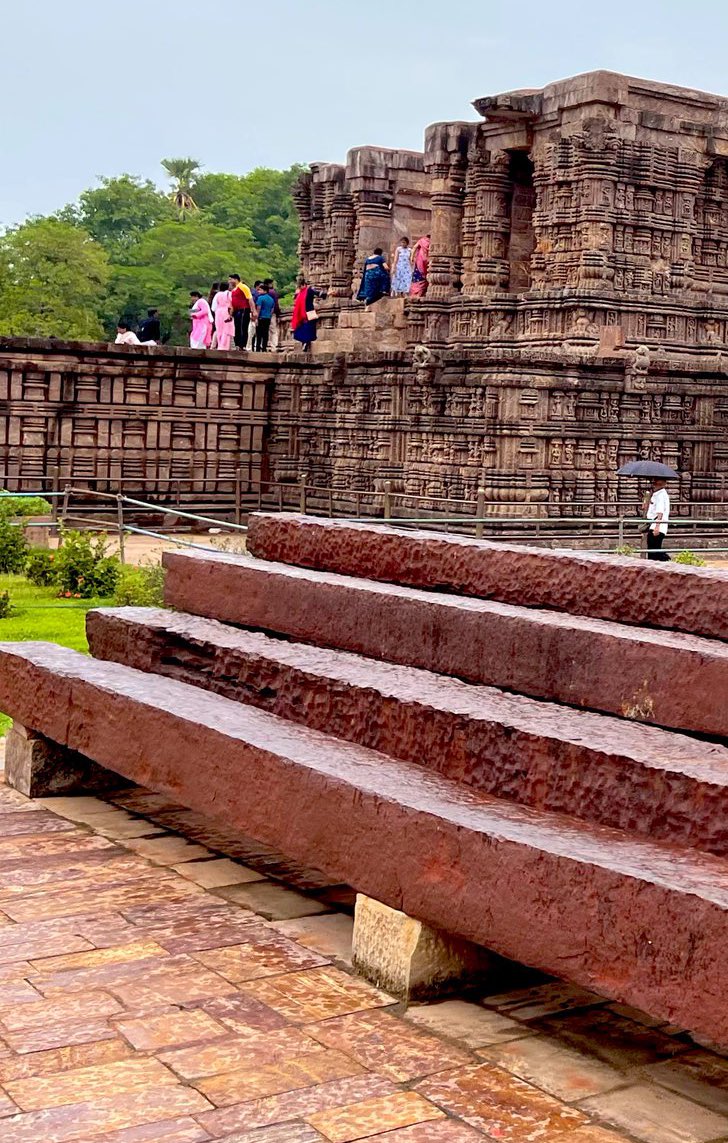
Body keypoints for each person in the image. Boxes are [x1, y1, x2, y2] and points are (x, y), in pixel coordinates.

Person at [291, 277, 325, 352]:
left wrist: (327, 294)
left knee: (309, 327)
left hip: (310, 311)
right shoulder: (300, 292)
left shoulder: (309, 290)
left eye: (300, 286)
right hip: (302, 314)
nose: (300, 288)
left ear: (304, 285)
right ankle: (304, 342)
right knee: (302, 328)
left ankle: (307, 341)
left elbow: (318, 294)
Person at [644, 478, 671, 561]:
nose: (653, 485)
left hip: (657, 525)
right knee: (653, 548)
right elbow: (646, 508)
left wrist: (657, 527)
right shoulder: (656, 494)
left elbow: (660, 512)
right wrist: (646, 499)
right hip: (653, 524)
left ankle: (665, 559)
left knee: (654, 549)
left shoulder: (661, 495)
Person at [228, 274, 257, 350]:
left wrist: (253, 310)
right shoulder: (233, 290)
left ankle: (242, 345)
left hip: (244, 309)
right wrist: (230, 314)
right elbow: (232, 303)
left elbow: (250, 299)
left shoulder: (243, 287)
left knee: (242, 327)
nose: (229, 281)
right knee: (237, 327)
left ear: (235, 279)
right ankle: (237, 344)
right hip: (236, 310)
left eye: (231, 279)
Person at [212, 283, 234, 351]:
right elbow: (232, 303)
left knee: (219, 329)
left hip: (218, 312)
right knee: (226, 329)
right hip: (226, 312)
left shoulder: (217, 295)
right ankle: (225, 346)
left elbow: (213, 307)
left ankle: (220, 345)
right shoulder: (229, 294)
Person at [253, 284, 276, 351]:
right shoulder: (271, 299)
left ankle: (257, 348)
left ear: (265, 291)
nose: (258, 291)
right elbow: (272, 309)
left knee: (259, 334)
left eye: (260, 290)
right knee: (265, 334)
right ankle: (264, 348)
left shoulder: (260, 298)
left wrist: (256, 317)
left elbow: (258, 308)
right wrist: (269, 315)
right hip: (267, 318)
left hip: (261, 317)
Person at [264, 278, 282, 350]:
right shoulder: (273, 292)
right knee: (273, 330)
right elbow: (276, 304)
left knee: (266, 330)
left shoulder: (262, 293)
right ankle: (274, 346)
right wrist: (278, 313)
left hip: (263, 314)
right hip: (272, 313)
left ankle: (266, 345)